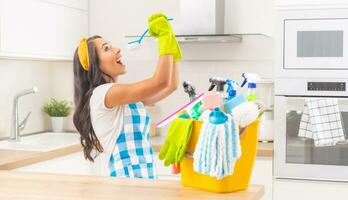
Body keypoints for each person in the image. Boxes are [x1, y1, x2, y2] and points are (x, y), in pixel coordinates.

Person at [72, 13, 181, 179]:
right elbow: (160, 81)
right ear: (95, 64)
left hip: (144, 176)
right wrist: (164, 38)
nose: (117, 49)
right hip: (124, 180)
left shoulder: (123, 98)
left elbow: (170, 85)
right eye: (107, 49)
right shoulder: (103, 94)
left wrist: (171, 44)